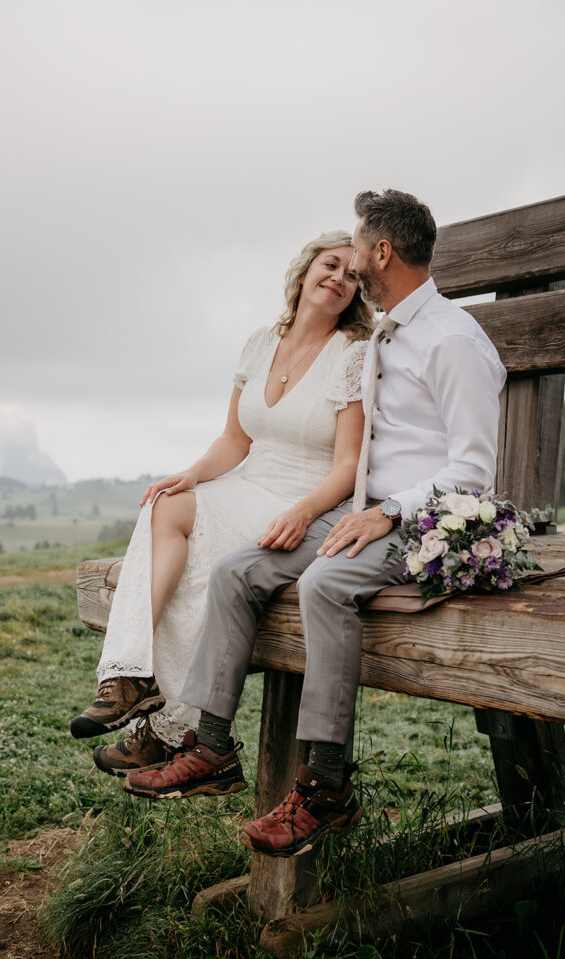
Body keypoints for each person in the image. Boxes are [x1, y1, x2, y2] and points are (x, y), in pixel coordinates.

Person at [123, 189, 507, 859]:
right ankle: (211, 748)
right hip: (361, 510)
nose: (350, 261)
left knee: (325, 585)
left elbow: (473, 471)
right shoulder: (384, 332)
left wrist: (387, 512)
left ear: (380, 252)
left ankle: (327, 787)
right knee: (238, 570)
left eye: (355, 247)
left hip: (426, 519)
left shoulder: (452, 340)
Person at [70, 230, 376, 778]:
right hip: (248, 483)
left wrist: (304, 513)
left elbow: (348, 466)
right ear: (306, 269)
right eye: (331, 264)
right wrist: (190, 474)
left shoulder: (352, 354)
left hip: (301, 499)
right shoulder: (261, 342)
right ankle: (129, 675)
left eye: (353, 275)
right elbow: (235, 440)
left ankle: (171, 728)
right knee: (164, 506)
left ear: (358, 292)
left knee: (198, 566)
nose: (339, 278)